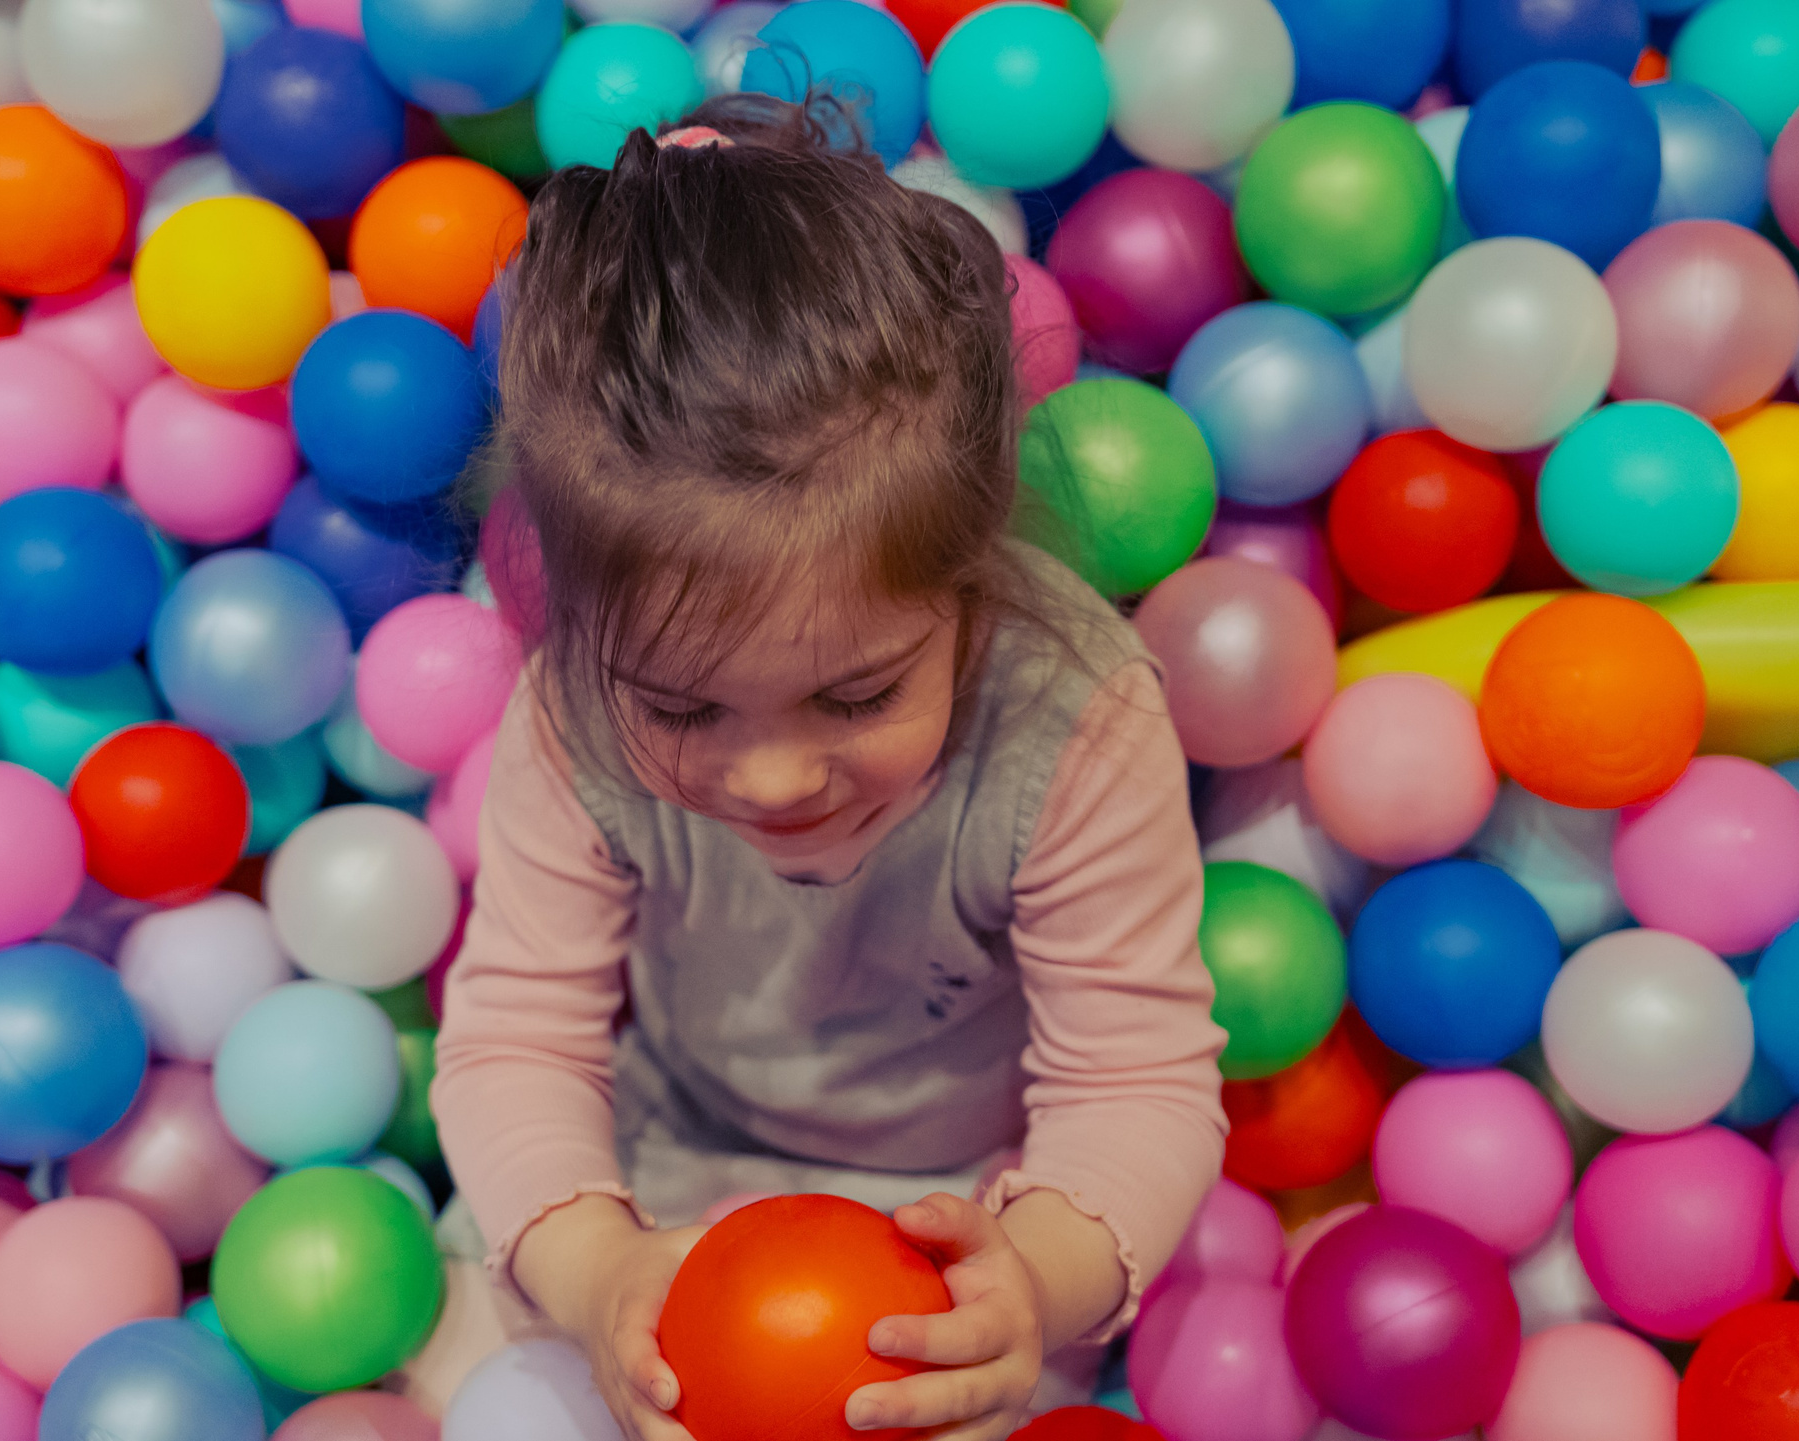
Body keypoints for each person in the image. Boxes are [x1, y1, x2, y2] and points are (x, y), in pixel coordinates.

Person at [408, 94, 1227, 1440]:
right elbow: (516, 1036)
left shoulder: (1073, 712)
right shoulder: (571, 703)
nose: (777, 776)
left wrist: (1030, 1277)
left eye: (856, 693)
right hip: (653, 1185)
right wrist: (597, 1262)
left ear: (964, 587)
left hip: (962, 1215)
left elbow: (1130, 1076)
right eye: (682, 705)